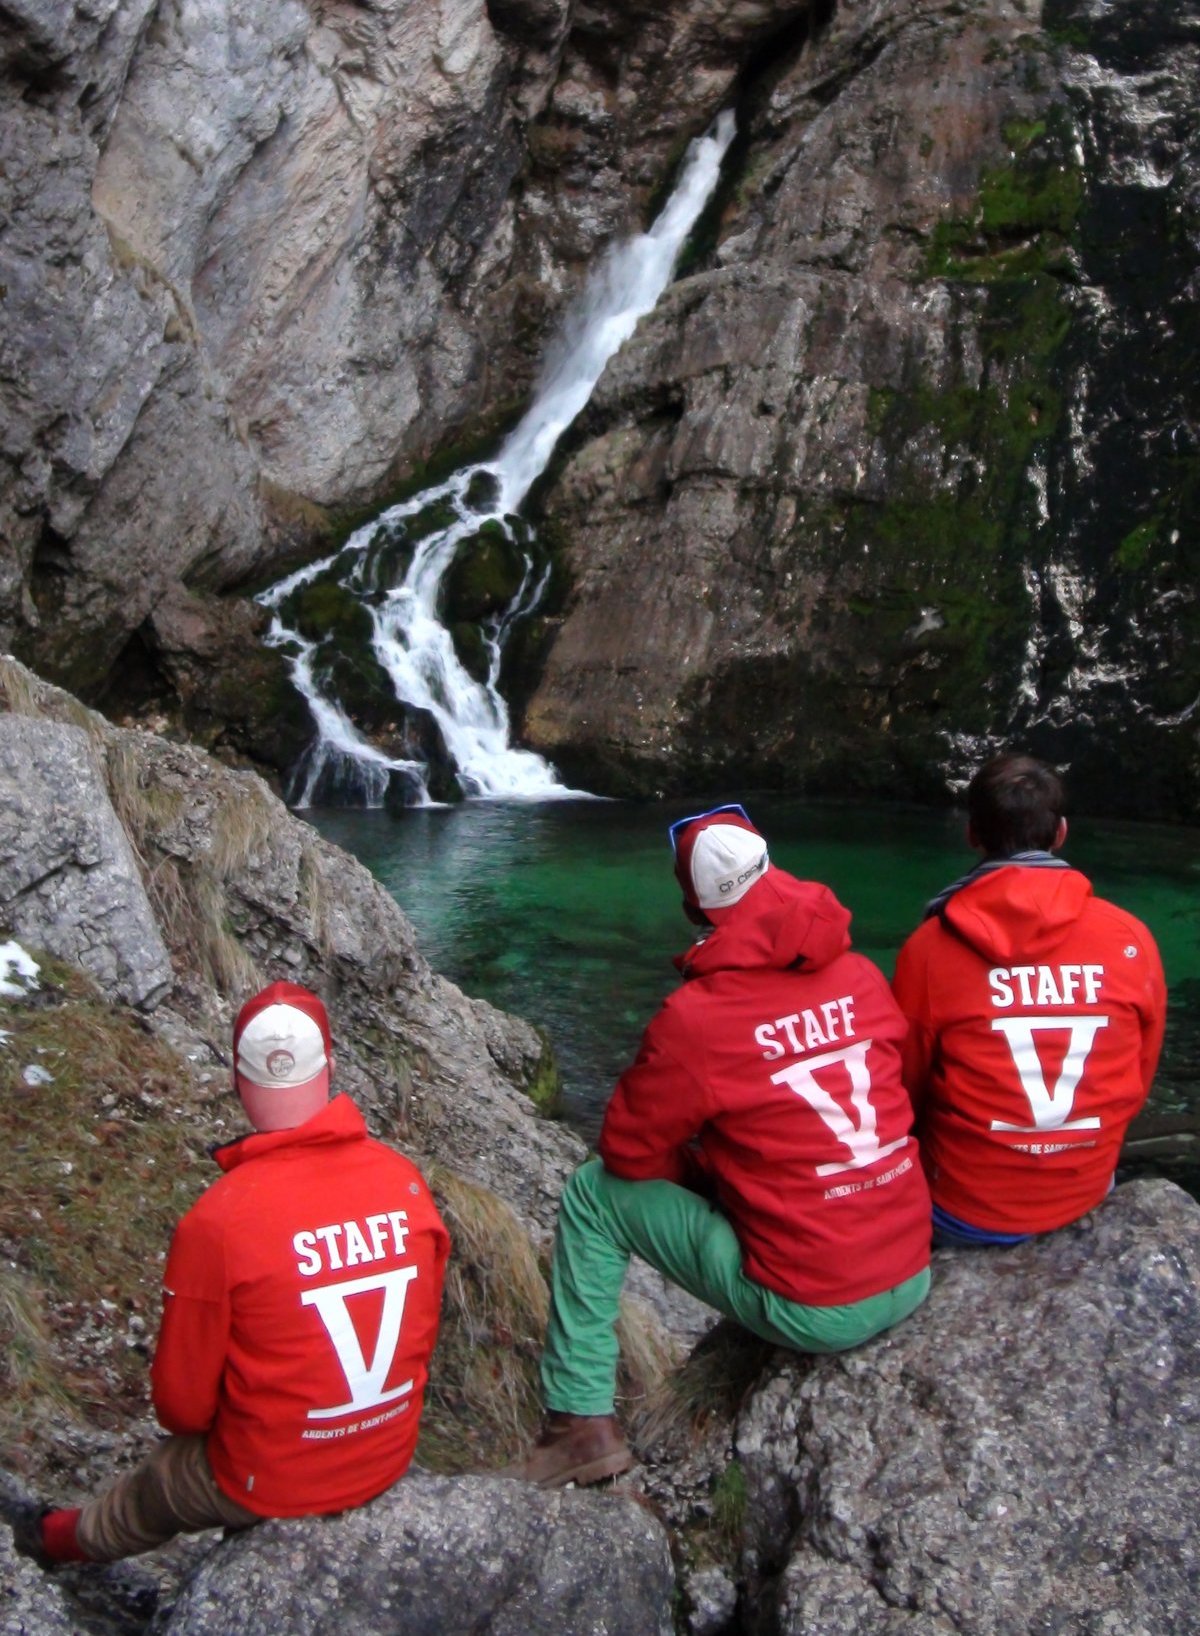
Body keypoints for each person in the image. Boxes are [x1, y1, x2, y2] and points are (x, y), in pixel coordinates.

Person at [505, 805, 932, 1487]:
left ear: (698, 909)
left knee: (592, 1196)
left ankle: (577, 1423)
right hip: (912, 1271)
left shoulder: (697, 1020)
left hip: (816, 1307)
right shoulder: (860, 976)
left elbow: (627, 1153)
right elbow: (898, 1095)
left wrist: (706, 1174)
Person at [10, 980, 449, 1566]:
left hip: (275, 1480)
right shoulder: (406, 1183)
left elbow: (181, 1409)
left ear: (238, 1081)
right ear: (331, 1067)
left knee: (157, 1486)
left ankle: (57, 1540)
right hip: (388, 1452)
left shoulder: (217, 1222)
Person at [892, 752, 1166, 1247]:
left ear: (972, 833)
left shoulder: (929, 950)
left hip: (964, 1208)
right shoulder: (1131, 937)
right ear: (1061, 833)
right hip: (1086, 1188)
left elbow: (905, 1090)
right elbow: (1139, 1074)